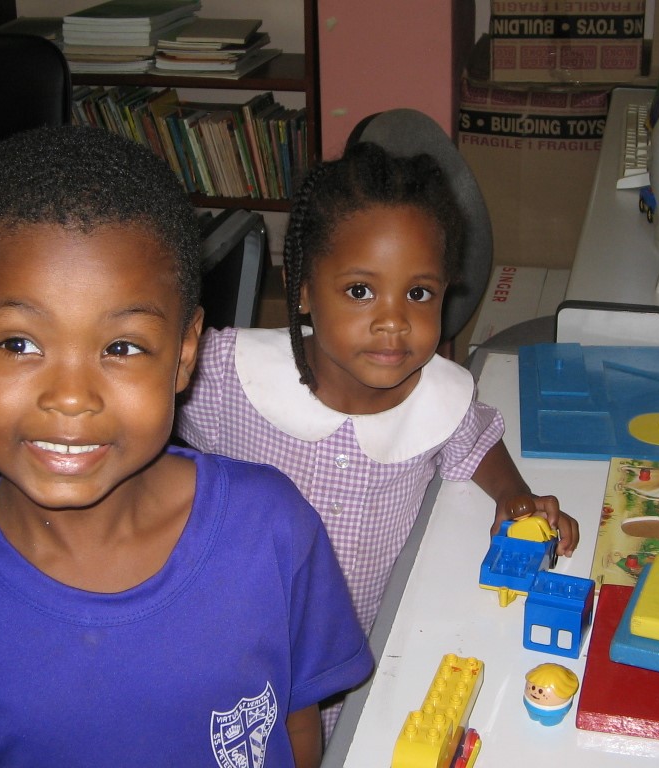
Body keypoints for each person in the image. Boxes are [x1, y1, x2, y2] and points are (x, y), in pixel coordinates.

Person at [0, 126, 373, 768]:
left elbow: (297, 723)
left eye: (121, 347)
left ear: (182, 356)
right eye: (20, 343)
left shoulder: (271, 528)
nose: (71, 397)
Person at [177, 140, 580, 640]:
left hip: (358, 644)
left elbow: (475, 441)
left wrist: (514, 494)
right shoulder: (229, 373)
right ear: (301, 287)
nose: (394, 321)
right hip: (237, 638)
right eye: (360, 291)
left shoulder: (440, 396)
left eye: (418, 293)